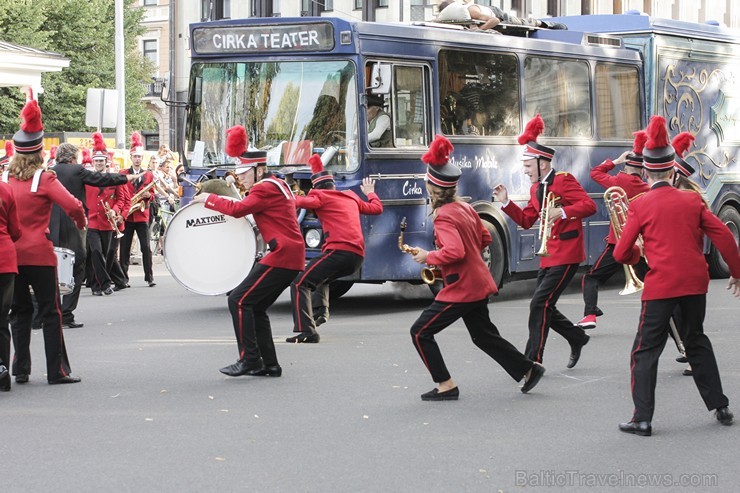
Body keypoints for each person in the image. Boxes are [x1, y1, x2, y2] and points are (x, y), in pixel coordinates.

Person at [614, 115, 740, 436]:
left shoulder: (640, 205)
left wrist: (637, 254)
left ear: (646, 170)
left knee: (645, 350)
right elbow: (725, 236)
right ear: (672, 170)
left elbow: (620, 253)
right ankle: (720, 406)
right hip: (695, 284)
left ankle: (642, 418)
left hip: (661, 287)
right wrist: (736, 273)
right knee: (696, 340)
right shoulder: (693, 199)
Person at [408, 135, 545, 401]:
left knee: (420, 332)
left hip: (462, 288)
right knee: (483, 336)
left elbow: (455, 251)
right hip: (478, 282)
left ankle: (445, 384)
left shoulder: (444, 215)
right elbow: (485, 238)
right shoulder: (465, 208)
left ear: (432, 188)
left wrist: (429, 256)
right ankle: (528, 369)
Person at [191, 126, 306, 377]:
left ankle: (250, 359)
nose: (240, 177)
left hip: (283, 255)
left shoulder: (264, 187)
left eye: (244, 172)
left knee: (238, 300)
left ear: (259, 169)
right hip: (290, 255)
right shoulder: (277, 184)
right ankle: (270, 364)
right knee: (255, 307)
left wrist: (207, 199)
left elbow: (238, 210)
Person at [493, 114, 595, 367]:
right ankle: (576, 337)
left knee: (540, 304)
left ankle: (532, 362)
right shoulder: (535, 189)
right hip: (549, 255)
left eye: (528, 166)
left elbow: (589, 205)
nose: (525, 171)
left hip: (568, 253)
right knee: (543, 304)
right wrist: (506, 203)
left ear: (542, 163)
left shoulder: (564, 180)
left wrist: (562, 211)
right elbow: (528, 219)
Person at [5, 99, 86, 385]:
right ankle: (56, 371)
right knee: (51, 312)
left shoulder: (4, 177)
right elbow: (73, 205)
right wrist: (80, 222)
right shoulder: (45, 178)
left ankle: (20, 369)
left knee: (19, 312)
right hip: (39, 254)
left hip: (12, 256)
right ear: (40, 151)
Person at [288, 154, 383, 343]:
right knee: (319, 277)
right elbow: (376, 208)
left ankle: (308, 331)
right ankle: (321, 312)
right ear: (333, 184)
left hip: (339, 252)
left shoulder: (319, 196)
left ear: (316, 188)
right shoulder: (350, 196)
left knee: (299, 283)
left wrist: (287, 194)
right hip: (357, 258)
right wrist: (370, 192)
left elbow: (298, 202)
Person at [49, 141, 134, 329]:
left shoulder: (50, 171)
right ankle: (67, 314)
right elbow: (101, 179)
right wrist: (126, 179)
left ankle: (46, 314)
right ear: (73, 158)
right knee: (78, 266)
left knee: (51, 269)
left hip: (52, 226)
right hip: (73, 225)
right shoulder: (77, 170)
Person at [577, 131, 650, 329]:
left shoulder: (618, 182)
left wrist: (615, 161)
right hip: (641, 246)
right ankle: (675, 323)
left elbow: (595, 173)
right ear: (642, 169)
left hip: (618, 245)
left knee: (591, 278)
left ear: (627, 165)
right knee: (655, 285)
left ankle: (590, 314)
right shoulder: (647, 187)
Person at [85, 133, 128, 296]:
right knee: (95, 252)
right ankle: (100, 285)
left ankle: (101, 283)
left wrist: (115, 210)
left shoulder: (113, 178)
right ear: (93, 162)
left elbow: (121, 199)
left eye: (101, 161)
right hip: (92, 221)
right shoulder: (87, 178)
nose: (98, 163)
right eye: (96, 161)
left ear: (106, 162)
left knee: (108, 254)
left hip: (108, 222)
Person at [119, 132, 157, 288]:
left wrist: (149, 196)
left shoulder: (148, 175)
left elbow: (153, 195)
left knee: (146, 247)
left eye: (139, 157)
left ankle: (149, 277)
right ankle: (123, 278)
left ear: (142, 158)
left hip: (142, 215)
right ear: (131, 157)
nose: (137, 159)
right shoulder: (123, 174)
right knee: (125, 248)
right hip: (127, 215)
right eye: (135, 156)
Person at [0, 176, 21, 392]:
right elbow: (15, 230)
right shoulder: (5, 190)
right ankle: (3, 375)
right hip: (5, 259)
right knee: (2, 321)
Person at [436, 0, 567, 31]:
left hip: (495, 13)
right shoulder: (445, 19)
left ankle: (549, 25)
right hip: (483, 16)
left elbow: (495, 20)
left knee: (522, 23)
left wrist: (479, 31)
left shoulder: (471, 11)